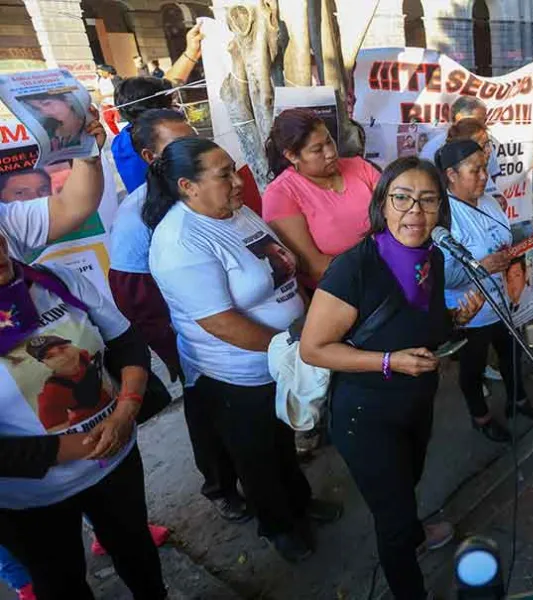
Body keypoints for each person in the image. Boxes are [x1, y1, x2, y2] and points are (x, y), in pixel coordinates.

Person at [144, 137, 341, 563]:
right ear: (187, 186)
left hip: (283, 357)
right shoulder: (180, 242)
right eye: (224, 175)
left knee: (281, 439)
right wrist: (294, 344)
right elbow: (218, 322)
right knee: (256, 456)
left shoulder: (237, 212)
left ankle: (300, 501)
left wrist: (304, 327)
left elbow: (280, 271)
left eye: (234, 170)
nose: (238, 182)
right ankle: (279, 526)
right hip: (236, 374)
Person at [298, 157, 483, 598]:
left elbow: (421, 324)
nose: (414, 212)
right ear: (382, 204)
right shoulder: (353, 268)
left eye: (427, 200)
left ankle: (414, 534)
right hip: (366, 413)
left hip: (416, 403)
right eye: (401, 198)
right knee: (393, 517)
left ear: (441, 209)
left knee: (408, 481)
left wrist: (456, 319)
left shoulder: (433, 257)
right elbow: (314, 348)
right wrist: (388, 362)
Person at [0, 216, 163, 598]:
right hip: (32, 499)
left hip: (116, 460)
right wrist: (80, 446)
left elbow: (125, 342)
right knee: (61, 584)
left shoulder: (53, 280)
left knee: (137, 553)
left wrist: (126, 409)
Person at [107, 109, 249, 522]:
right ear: (153, 158)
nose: (194, 149)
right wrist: (181, 340)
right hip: (184, 328)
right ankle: (222, 486)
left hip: (229, 318)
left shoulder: (218, 193)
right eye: (177, 144)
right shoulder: (137, 216)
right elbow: (134, 294)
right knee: (205, 404)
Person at [437, 139, 533, 443]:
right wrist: (482, 266)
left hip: (503, 300)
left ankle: (518, 399)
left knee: (512, 353)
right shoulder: (444, 216)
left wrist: (532, 233)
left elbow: (505, 237)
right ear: (451, 174)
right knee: (472, 367)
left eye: (485, 167)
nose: (484, 176)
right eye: (475, 170)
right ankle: (481, 417)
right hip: (469, 309)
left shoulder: (487, 200)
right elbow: (444, 277)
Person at [262, 109, 380, 284]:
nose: (331, 152)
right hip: (340, 289)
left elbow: (397, 217)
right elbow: (315, 267)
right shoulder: (281, 194)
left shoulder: (360, 167)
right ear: (292, 156)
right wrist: (381, 269)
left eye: (329, 141)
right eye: (317, 150)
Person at [110, 23, 204, 192]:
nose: (174, 103)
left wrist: (192, 51)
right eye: (170, 101)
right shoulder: (162, 140)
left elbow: (170, 84)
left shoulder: (122, 139)